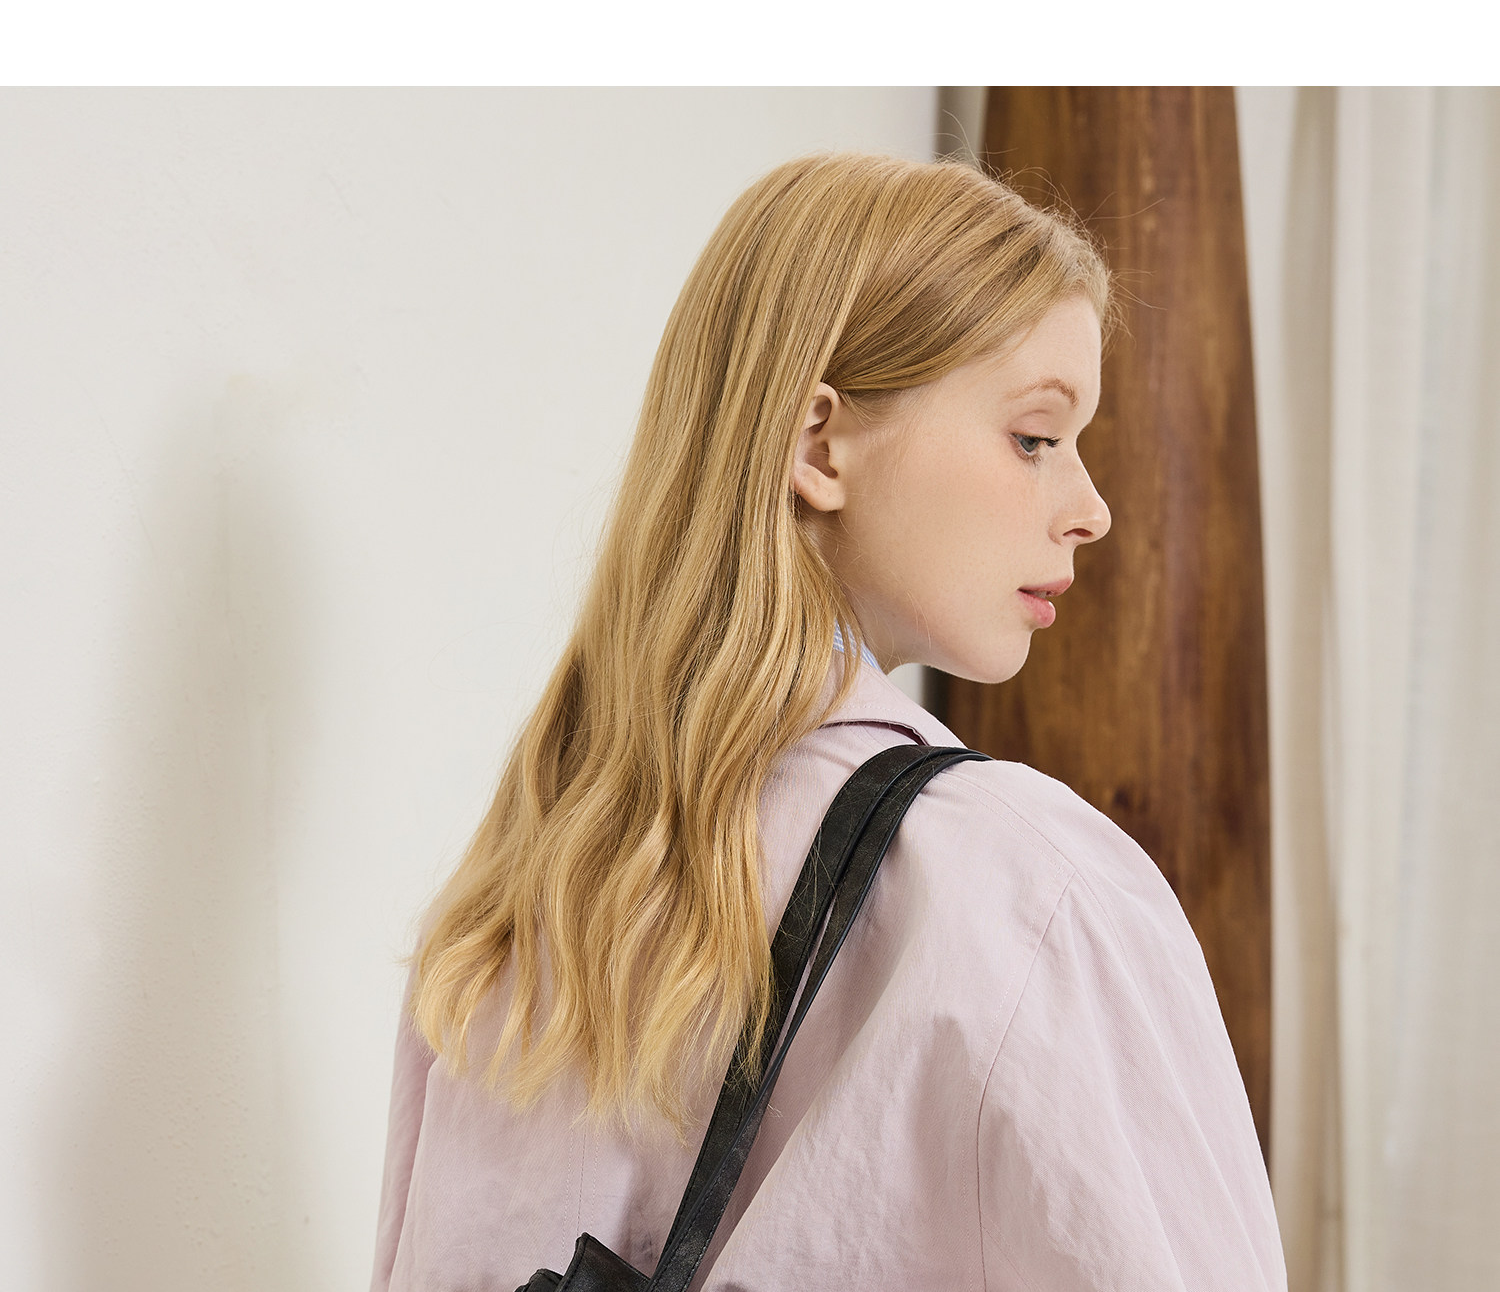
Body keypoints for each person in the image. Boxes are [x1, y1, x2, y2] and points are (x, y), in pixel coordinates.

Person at [369, 151, 1288, 1291]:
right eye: (1034, 438)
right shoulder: (1027, 888)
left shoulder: (514, 907)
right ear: (819, 445)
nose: (1090, 510)